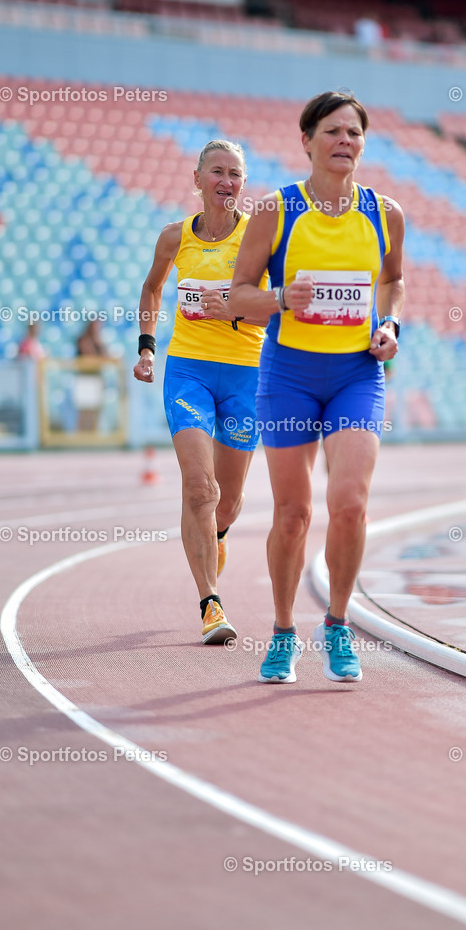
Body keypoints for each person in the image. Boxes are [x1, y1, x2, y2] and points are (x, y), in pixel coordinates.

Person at [229, 90, 405, 683]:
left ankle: (336, 624)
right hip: (290, 375)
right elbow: (237, 296)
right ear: (306, 140)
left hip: (357, 372)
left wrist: (390, 325)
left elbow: (394, 284)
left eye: (354, 133)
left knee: (350, 505)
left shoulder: (386, 213)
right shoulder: (275, 212)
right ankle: (282, 632)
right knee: (293, 514)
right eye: (332, 132)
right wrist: (281, 298)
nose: (344, 142)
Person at [133, 139, 268, 645]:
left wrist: (231, 309)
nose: (227, 182)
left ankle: (215, 537)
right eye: (218, 172)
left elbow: (277, 309)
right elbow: (152, 288)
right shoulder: (175, 237)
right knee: (200, 488)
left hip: (244, 375)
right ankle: (211, 603)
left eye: (236, 174)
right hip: (188, 371)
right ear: (197, 180)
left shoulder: (259, 238)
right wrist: (147, 346)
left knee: (227, 503)